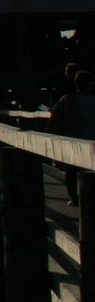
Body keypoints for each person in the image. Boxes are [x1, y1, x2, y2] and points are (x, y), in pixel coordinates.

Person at [47, 70, 95, 203]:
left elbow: (55, 120)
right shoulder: (93, 101)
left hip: (74, 138)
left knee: (72, 171)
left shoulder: (68, 99)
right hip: (92, 141)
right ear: (90, 84)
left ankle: (75, 198)